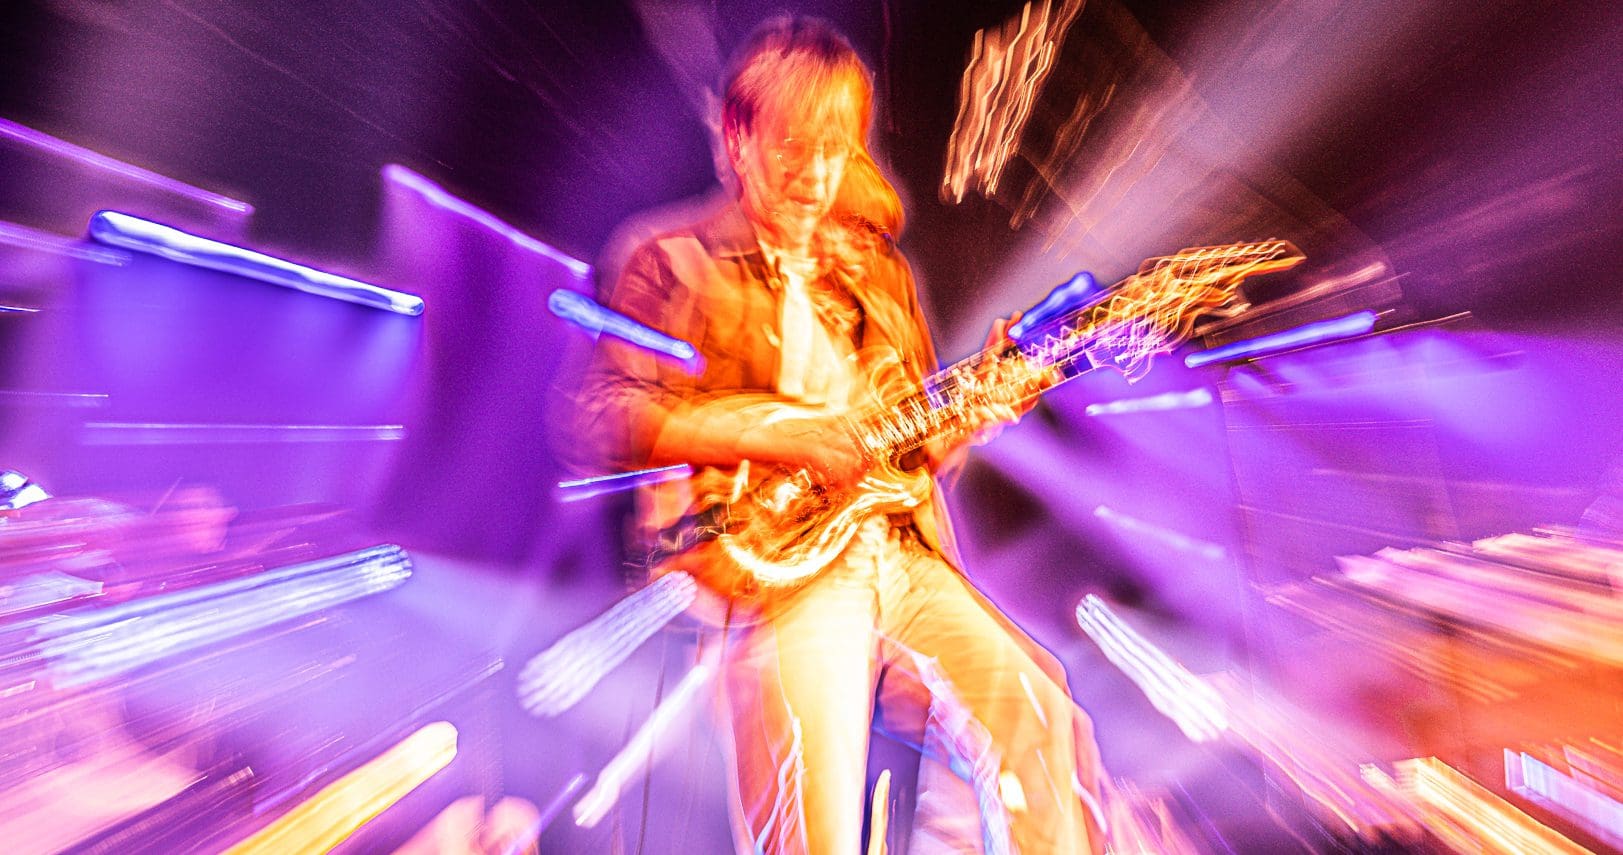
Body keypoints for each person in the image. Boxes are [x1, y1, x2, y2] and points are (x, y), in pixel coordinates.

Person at [579, 16, 1105, 854]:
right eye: (793, 146)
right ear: (737, 138)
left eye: (833, 149)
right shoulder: (673, 258)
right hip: (774, 576)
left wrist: (980, 406)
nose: (815, 174)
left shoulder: (877, 273)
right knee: (812, 823)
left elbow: (915, 452)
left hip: (894, 557)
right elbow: (604, 413)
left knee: (1039, 718)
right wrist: (781, 435)